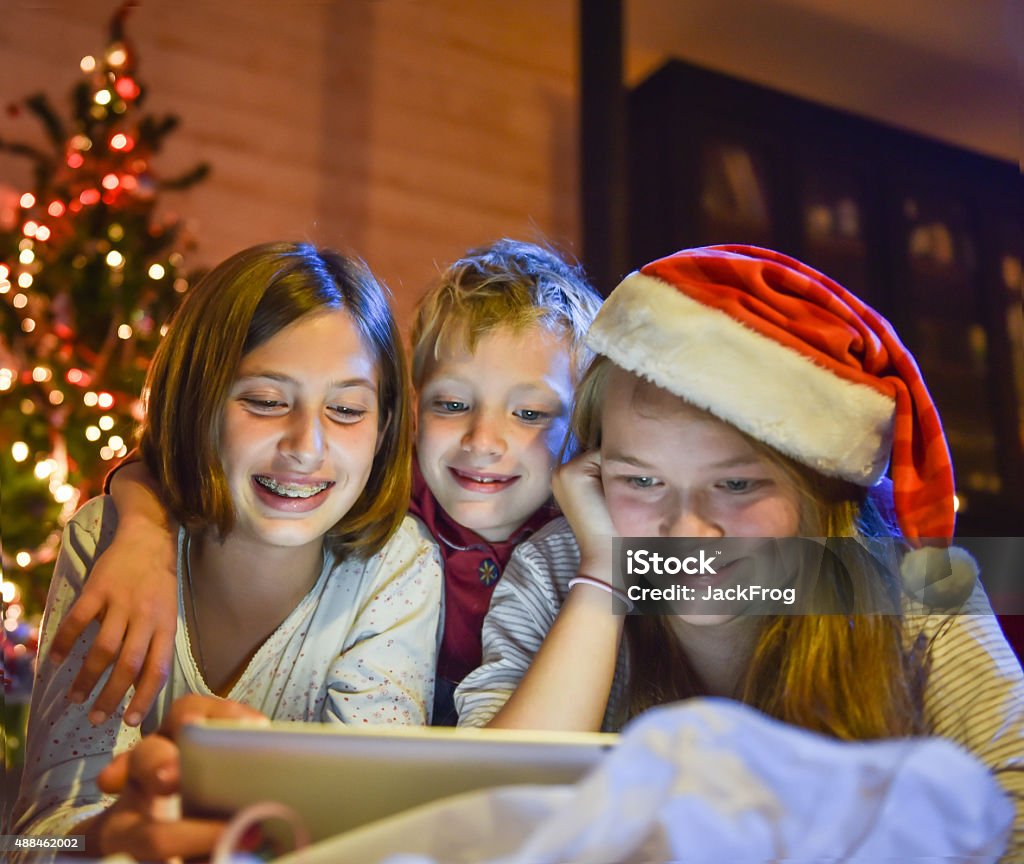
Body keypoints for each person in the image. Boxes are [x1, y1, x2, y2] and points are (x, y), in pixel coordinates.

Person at [454, 245, 1023, 851]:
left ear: (818, 492)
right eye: (641, 480)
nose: (688, 532)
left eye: (736, 484)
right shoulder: (557, 569)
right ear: (592, 471)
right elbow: (484, 816)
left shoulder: (916, 586)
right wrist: (602, 578)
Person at [46, 238, 603, 726]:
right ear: (406, 415)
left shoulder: (588, 538)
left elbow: (686, 581)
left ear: (583, 426)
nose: (484, 439)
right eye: (453, 404)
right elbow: (172, 457)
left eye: (531, 415)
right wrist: (142, 528)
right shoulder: (382, 504)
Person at [12, 242, 443, 860]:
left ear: (384, 427)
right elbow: (32, 834)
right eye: (266, 401)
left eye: (347, 409)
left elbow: (372, 834)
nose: (306, 445)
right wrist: (104, 841)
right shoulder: (104, 542)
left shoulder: (395, 567)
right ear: (198, 403)